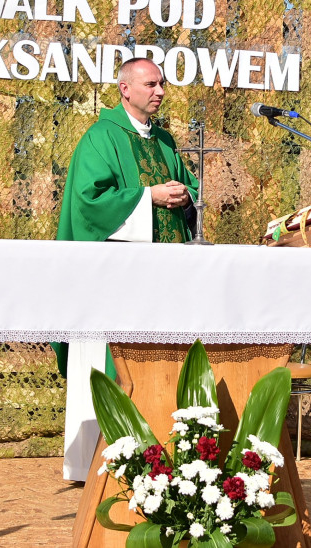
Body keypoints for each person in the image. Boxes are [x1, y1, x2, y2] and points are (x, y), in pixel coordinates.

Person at [54, 57, 198, 481]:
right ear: (125, 89)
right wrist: (146, 196)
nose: (160, 92)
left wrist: (184, 195)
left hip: (165, 275)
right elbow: (88, 203)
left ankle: (164, 455)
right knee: (113, 364)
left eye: (162, 84)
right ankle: (102, 463)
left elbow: (188, 184)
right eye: (151, 84)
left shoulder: (165, 141)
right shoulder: (100, 138)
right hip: (114, 279)